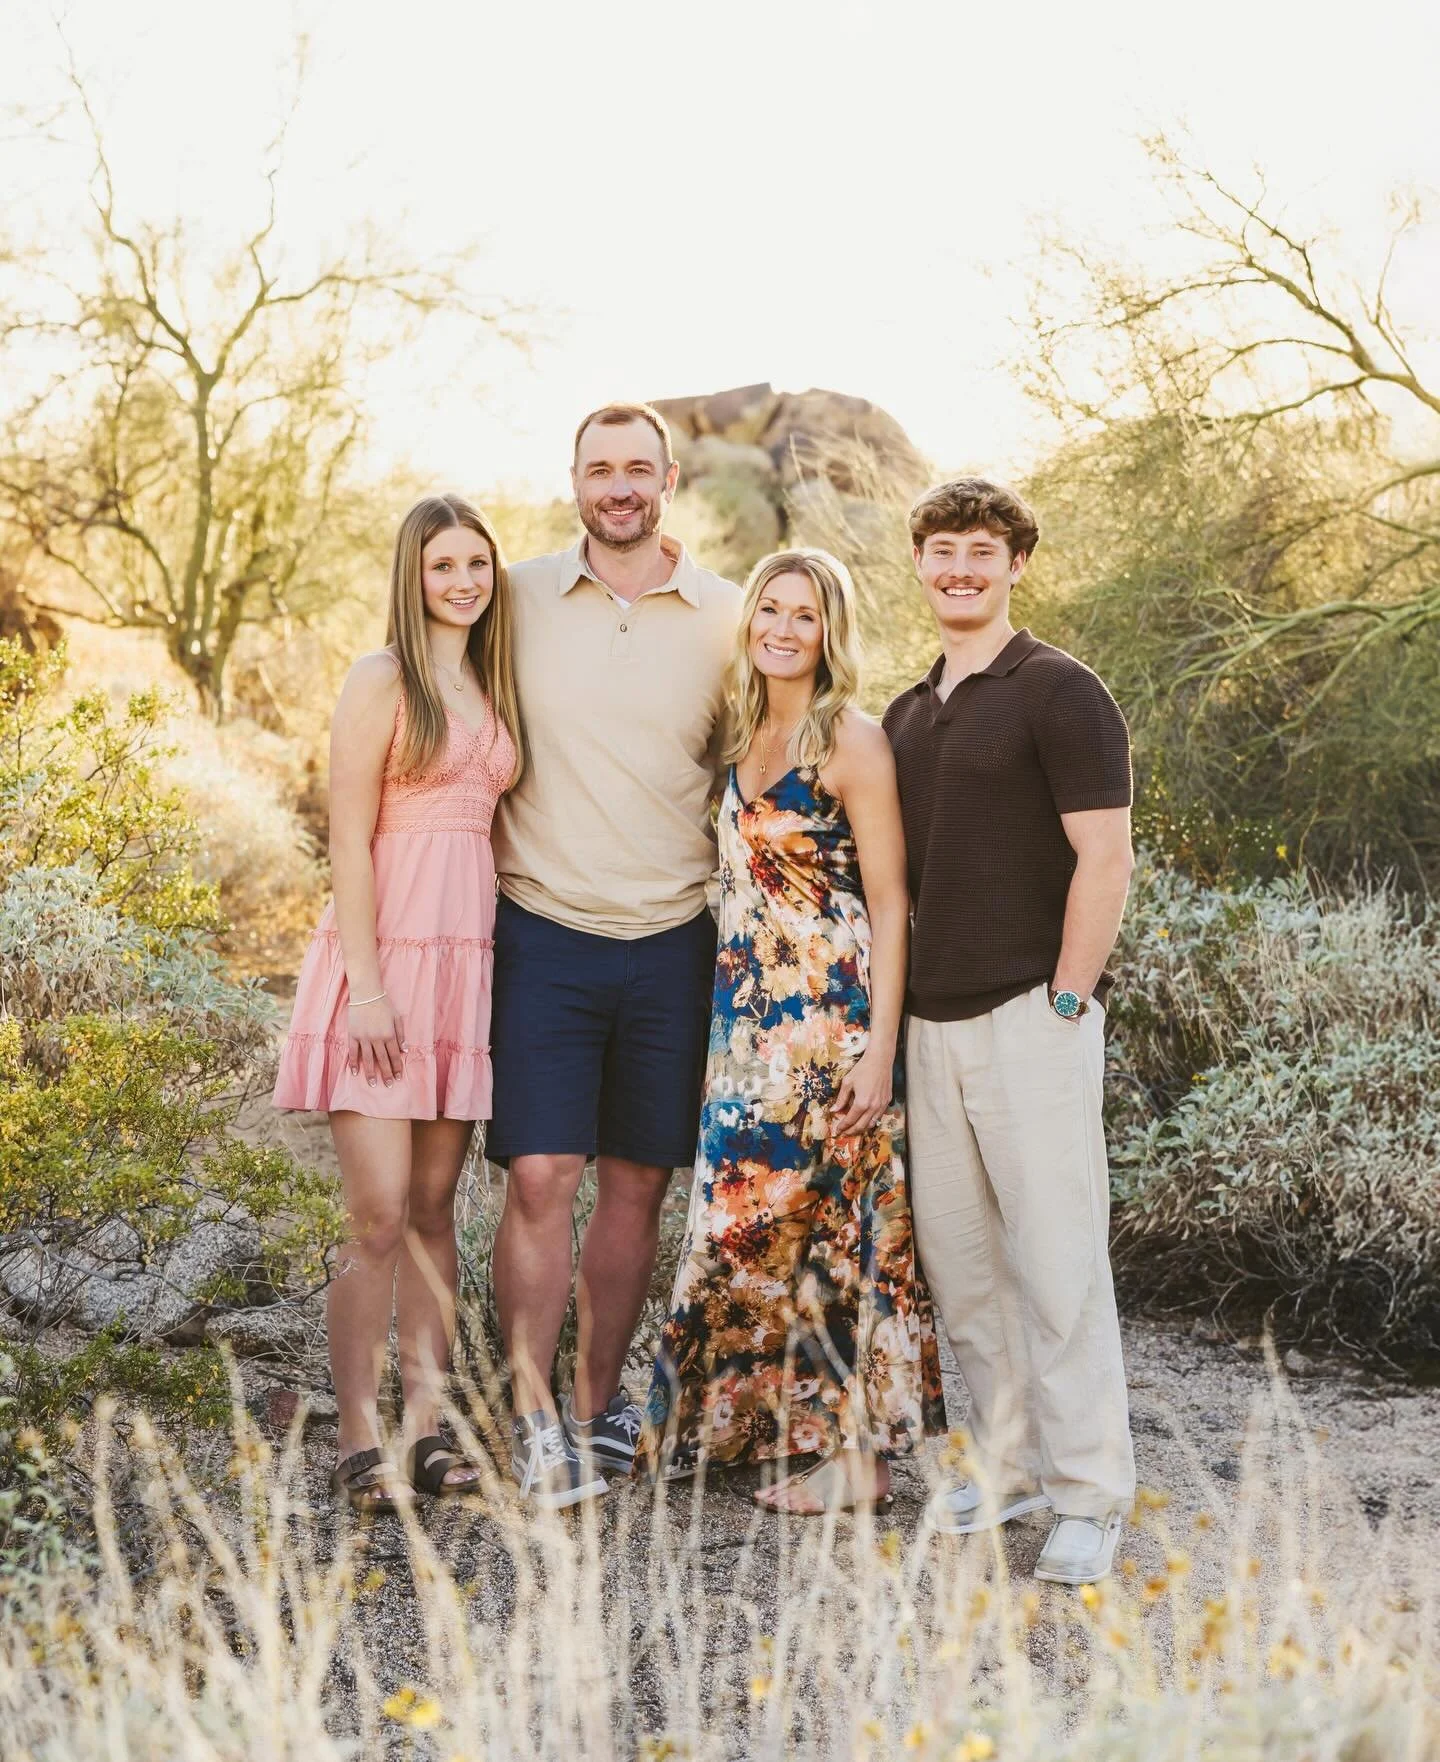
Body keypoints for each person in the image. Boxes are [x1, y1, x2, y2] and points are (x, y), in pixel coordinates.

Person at [639, 548, 944, 1513]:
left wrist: (881, 1050)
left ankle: (861, 1460)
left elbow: (892, 904)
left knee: (840, 1232)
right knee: (741, 1217)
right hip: (746, 1020)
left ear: (829, 632)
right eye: (768, 609)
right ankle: (745, 1428)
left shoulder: (851, 739)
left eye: (803, 616)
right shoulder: (739, 730)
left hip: (830, 1017)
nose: (780, 628)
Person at [882, 478, 1136, 1584]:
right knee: (966, 1266)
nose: (961, 570)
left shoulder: (1061, 691)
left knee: (1059, 1260)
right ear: (922, 563)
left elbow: (1107, 857)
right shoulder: (905, 711)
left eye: (982, 551)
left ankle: (1091, 1493)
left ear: (1017, 563)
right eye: (943, 551)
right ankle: (1007, 1464)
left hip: (1034, 1012)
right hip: (930, 1026)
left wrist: (1069, 997)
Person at [488, 402, 742, 1508]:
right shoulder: (519, 598)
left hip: (673, 938)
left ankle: (598, 1411)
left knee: (638, 1181)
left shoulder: (731, 616)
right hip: (542, 927)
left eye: (640, 468)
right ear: (576, 480)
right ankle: (531, 1415)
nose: (621, 486)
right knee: (543, 1174)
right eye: (602, 469)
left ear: (671, 478)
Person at [273, 494, 522, 1512]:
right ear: (411, 576)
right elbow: (347, 837)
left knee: (433, 1213)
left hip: (464, 963)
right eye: (442, 565)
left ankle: (426, 1430)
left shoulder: (495, 681)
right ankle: (358, 1433)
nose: (462, 580)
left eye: (476, 562)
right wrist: (367, 988)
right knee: (376, 1215)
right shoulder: (382, 677)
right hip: (380, 970)